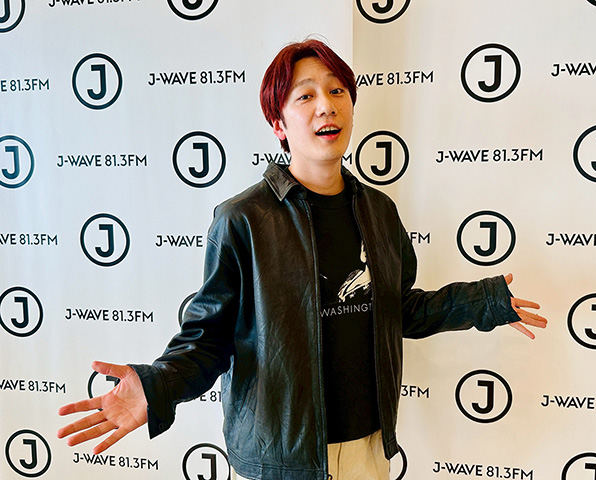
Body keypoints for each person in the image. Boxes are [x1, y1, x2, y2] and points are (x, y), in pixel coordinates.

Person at [58, 39, 547, 480]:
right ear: (279, 124)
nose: (326, 106)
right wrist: (157, 385)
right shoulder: (243, 219)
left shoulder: (379, 211)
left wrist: (483, 301)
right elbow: (209, 339)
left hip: (366, 449)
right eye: (305, 96)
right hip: (280, 458)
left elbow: (399, 309)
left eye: (336, 91)